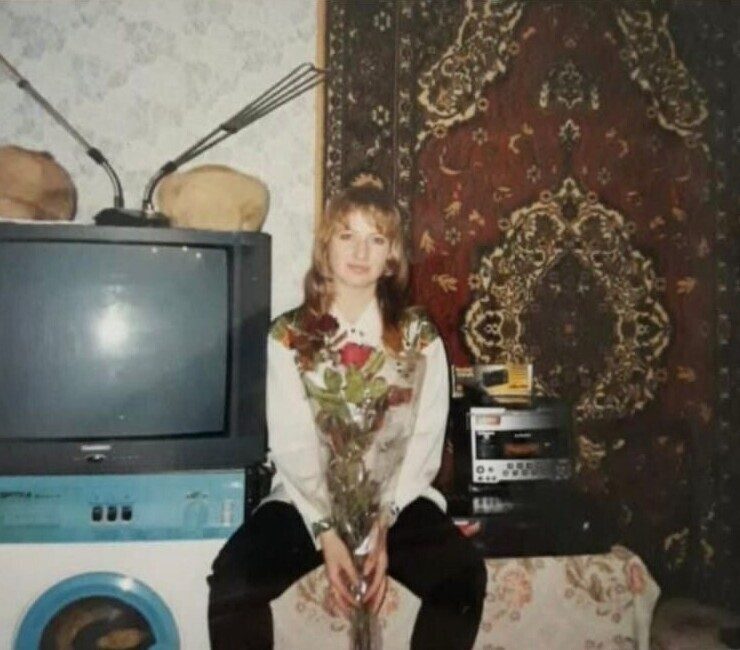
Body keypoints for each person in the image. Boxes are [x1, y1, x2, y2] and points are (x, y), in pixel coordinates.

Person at [208, 185, 486, 649]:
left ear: (391, 257)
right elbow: (292, 443)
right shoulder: (289, 336)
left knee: (462, 576)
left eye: (376, 239)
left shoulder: (418, 335)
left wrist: (384, 522)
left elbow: (425, 436)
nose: (360, 252)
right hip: (309, 498)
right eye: (347, 236)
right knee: (233, 581)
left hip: (394, 499)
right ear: (326, 247)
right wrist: (326, 534)